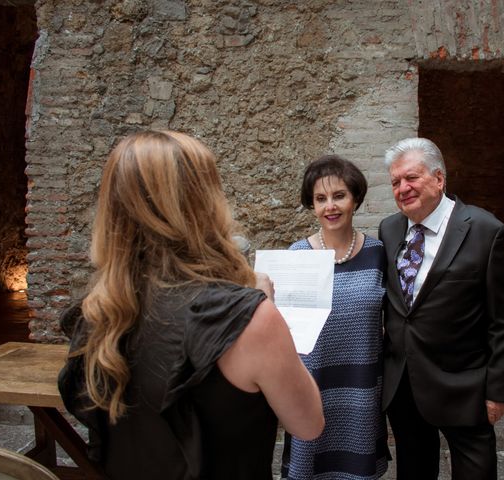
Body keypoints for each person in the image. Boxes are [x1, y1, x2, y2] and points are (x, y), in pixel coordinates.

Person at [57, 130, 324, 480]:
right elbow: (308, 424)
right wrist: (268, 310)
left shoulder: (97, 312)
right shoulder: (250, 319)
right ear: (203, 204)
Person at [378, 138, 504, 480]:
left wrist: (498, 391)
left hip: (464, 385)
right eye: (395, 182)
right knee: (414, 470)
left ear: (439, 179)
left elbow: (503, 320)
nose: (403, 188)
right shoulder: (389, 229)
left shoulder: (486, 231)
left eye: (411, 178)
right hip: (404, 385)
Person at [281, 155, 389, 480]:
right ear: (312, 205)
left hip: (362, 389)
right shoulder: (297, 257)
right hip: (313, 388)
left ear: (355, 198)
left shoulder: (379, 253)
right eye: (320, 198)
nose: (330, 206)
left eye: (339, 195)